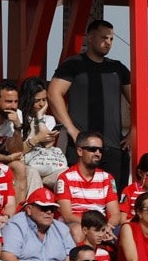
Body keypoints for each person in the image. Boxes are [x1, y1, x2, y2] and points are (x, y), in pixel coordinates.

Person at [49, 20, 132, 186]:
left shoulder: (118, 68)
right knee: (78, 195)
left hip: (114, 147)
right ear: (90, 37)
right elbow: (53, 93)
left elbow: (139, 101)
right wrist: (71, 129)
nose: (108, 42)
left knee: (114, 200)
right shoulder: (73, 64)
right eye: (104, 37)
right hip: (81, 145)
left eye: (111, 39)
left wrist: (133, 133)